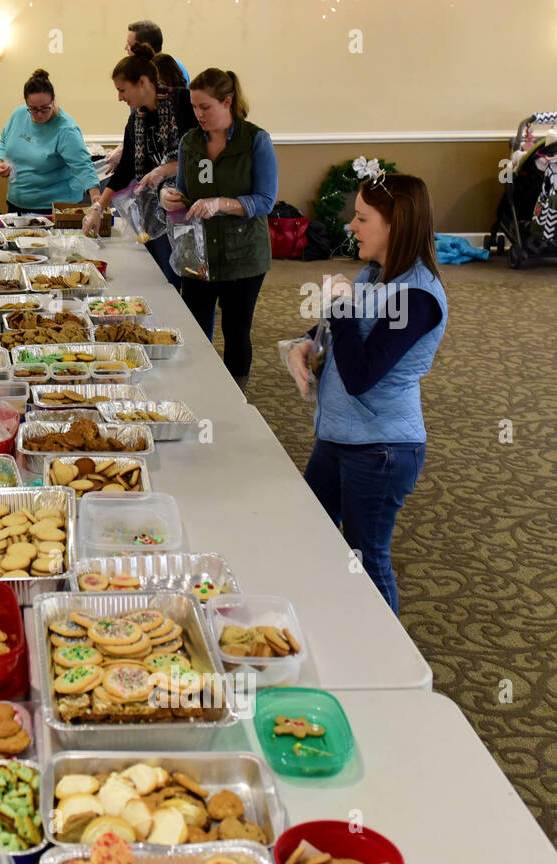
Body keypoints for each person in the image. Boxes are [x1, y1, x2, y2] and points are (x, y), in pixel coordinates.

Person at [284, 174, 446, 614]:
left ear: (397, 225)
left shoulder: (417, 297)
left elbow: (360, 375)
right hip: (341, 437)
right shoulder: (374, 271)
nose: (350, 227)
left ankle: (388, 672)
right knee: (311, 530)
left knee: (366, 559)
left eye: (361, 218)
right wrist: (307, 341)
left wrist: (341, 306)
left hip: (381, 450)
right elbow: (343, 336)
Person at [161, 68, 278, 391]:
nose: (198, 114)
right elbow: (185, 195)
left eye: (205, 107)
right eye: (195, 107)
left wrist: (222, 203)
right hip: (198, 252)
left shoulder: (255, 140)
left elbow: (265, 200)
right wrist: (169, 196)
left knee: (237, 329)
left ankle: (236, 396)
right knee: (195, 328)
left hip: (244, 255)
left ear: (227, 102)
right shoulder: (191, 142)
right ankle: (196, 389)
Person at [85, 44, 196, 290]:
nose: (120, 97)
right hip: (152, 212)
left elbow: (200, 158)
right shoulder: (136, 119)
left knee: (184, 285)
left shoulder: (183, 103)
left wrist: (164, 170)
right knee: (159, 279)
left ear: (143, 82)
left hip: (185, 211)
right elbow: (124, 171)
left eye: (122, 90)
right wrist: (97, 208)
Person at [0, 69, 101, 215]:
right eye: (33, 109)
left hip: (54, 208)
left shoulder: (66, 129)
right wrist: (0, 161)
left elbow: (82, 165)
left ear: (54, 100)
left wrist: (95, 195)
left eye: (45, 108)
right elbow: (4, 139)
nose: (39, 114)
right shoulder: (19, 114)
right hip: (17, 203)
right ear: (26, 103)